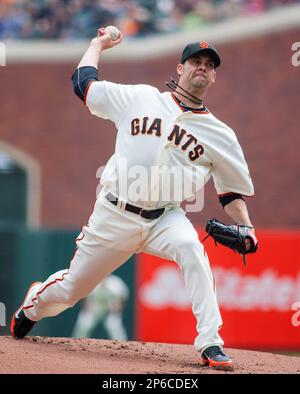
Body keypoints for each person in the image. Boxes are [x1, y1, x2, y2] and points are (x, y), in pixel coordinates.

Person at [11, 28, 258, 371]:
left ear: (214, 76)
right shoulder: (141, 98)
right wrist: (97, 45)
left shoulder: (221, 134)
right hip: (114, 214)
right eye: (195, 61)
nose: (201, 66)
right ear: (180, 68)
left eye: (208, 64)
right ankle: (33, 307)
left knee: (192, 250)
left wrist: (247, 227)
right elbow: (83, 85)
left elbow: (230, 192)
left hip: (165, 219)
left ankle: (210, 342)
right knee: (70, 292)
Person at [72, 274, 129, 340]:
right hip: (94, 307)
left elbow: (124, 297)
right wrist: (85, 303)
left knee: (113, 326)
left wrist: (119, 305)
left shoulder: (116, 282)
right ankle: (77, 343)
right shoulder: (91, 281)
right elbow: (82, 294)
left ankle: (122, 345)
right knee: (84, 324)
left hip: (110, 308)